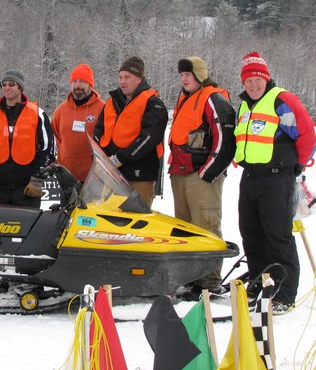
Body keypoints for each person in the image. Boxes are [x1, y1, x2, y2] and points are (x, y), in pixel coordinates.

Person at [235, 52, 316, 313]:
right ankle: (259, 282)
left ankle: (284, 292)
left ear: (266, 78)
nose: (253, 84)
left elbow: (306, 134)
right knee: (251, 234)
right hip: (250, 178)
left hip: (276, 178)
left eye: (257, 79)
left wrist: (297, 167)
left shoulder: (282, 100)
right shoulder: (245, 104)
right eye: (248, 80)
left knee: (277, 236)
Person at [169, 56, 236, 298]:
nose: (184, 79)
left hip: (202, 177)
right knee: (185, 229)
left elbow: (226, 141)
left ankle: (209, 282)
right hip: (181, 173)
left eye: (188, 74)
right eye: (182, 75)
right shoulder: (185, 99)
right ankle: (191, 278)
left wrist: (209, 172)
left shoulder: (214, 98)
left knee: (206, 226)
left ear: (200, 75)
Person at [93, 56, 168, 207]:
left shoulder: (153, 104)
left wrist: (120, 158)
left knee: (137, 222)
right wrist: (101, 156)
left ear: (139, 79)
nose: (122, 81)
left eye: (127, 77)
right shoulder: (111, 103)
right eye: (120, 77)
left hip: (139, 176)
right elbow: (99, 130)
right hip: (112, 175)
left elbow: (148, 138)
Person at [0, 70, 54, 208]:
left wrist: (37, 179)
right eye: (3, 84)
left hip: (27, 190)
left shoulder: (38, 114)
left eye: (11, 84)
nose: (6, 87)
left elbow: (47, 150)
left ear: (20, 87)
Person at [51, 63, 105, 183]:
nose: (77, 85)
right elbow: (57, 138)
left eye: (82, 81)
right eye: (74, 81)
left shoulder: (103, 108)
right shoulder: (60, 110)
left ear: (90, 84)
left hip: (94, 177)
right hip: (67, 176)